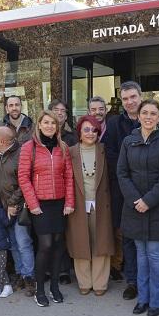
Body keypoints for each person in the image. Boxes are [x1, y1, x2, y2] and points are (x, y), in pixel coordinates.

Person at [104, 80, 159, 299]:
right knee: (131, 240)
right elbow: (113, 158)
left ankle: (158, 286)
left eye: (133, 97)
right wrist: (132, 191)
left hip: (155, 194)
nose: (130, 102)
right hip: (126, 192)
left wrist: (149, 195)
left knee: (154, 246)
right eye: (125, 99)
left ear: (140, 96)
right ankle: (133, 282)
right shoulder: (113, 125)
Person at [117, 99, 159, 316]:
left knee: (155, 254)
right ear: (139, 115)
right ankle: (143, 298)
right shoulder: (128, 140)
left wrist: (148, 201)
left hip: (158, 207)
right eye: (145, 112)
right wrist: (136, 200)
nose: (149, 116)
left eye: (153, 113)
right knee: (140, 255)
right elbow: (122, 173)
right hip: (134, 206)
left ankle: (157, 300)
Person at [18, 110, 75, 307]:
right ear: (39, 125)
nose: (50, 126)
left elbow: (68, 176)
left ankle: (55, 287)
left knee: (59, 245)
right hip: (40, 205)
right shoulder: (29, 148)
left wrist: (69, 202)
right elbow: (23, 177)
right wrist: (33, 204)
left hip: (59, 203)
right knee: (46, 246)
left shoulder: (63, 147)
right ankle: (39, 289)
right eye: (46, 122)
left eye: (53, 123)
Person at [0, 125, 37, 297]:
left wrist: (13, 203)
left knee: (23, 242)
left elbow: (25, 182)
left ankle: (30, 277)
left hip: (20, 207)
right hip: (3, 208)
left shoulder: (21, 154)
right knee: (13, 244)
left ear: (1, 141)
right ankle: (20, 273)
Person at [66, 115, 115, 296]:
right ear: (79, 132)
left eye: (94, 130)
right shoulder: (70, 152)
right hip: (78, 205)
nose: (90, 133)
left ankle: (100, 283)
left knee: (100, 242)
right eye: (86, 129)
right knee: (81, 243)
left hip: (102, 204)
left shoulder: (104, 150)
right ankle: (84, 282)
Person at [49, 98, 77, 284]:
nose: (60, 113)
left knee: (63, 233)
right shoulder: (40, 136)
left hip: (66, 190)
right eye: (56, 110)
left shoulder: (72, 137)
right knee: (46, 235)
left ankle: (64, 270)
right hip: (45, 191)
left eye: (63, 111)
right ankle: (49, 269)